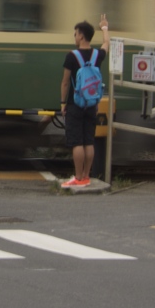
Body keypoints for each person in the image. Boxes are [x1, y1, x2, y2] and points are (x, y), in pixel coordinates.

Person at [60, 14, 110, 188]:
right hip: (91, 104)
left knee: (77, 142)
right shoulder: (97, 55)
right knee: (89, 140)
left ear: (81, 35)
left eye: (75, 34)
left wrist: (62, 103)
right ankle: (87, 176)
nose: (74, 37)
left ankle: (78, 177)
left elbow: (65, 82)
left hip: (75, 104)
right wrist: (104, 28)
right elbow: (106, 44)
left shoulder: (71, 56)